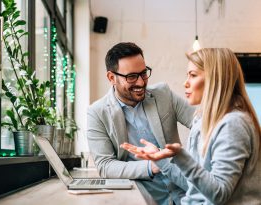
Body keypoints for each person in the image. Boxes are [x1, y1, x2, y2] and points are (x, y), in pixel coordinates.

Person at [121, 48, 261, 204]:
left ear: (216, 79)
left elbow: (219, 193)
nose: (185, 83)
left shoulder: (232, 125)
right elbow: (196, 186)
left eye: (193, 75)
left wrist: (180, 156)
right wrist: (161, 158)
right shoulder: (202, 120)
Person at [87, 42, 195, 205]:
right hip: (145, 198)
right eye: (131, 77)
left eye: (143, 73)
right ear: (111, 78)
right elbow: (105, 166)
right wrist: (153, 165)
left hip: (184, 194)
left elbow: (202, 123)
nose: (141, 82)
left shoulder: (163, 95)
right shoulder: (97, 112)